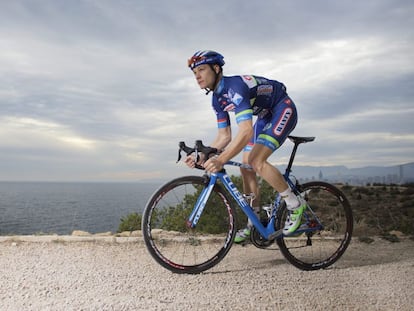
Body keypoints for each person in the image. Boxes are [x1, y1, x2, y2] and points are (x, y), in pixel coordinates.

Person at [185, 50, 306, 243]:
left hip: (283, 108)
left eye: (201, 69)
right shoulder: (217, 98)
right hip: (266, 116)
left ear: (216, 69)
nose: (197, 76)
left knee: (256, 161)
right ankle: (254, 222)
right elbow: (224, 136)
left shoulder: (234, 88)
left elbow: (246, 132)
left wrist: (221, 159)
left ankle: (294, 204)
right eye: (194, 73)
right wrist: (202, 155)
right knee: (246, 167)